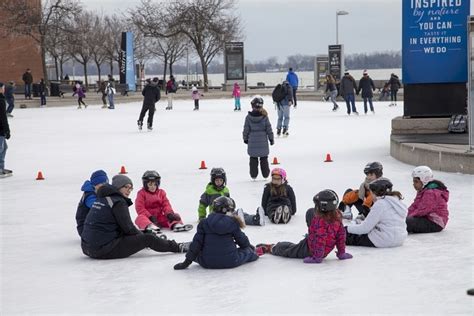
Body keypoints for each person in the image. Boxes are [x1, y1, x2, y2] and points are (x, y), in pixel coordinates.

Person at [81, 174, 188, 259]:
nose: (129, 190)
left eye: (131, 188)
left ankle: (153, 235)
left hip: (87, 247)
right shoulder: (118, 202)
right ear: (118, 187)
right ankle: (178, 247)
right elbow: (128, 229)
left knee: (142, 234)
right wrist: (143, 238)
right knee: (148, 238)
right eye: (126, 187)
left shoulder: (103, 198)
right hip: (103, 250)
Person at [256, 190, 353, 263]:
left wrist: (317, 257)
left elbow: (320, 239)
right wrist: (341, 253)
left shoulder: (319, 221)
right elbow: (341, 236)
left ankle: (272, 248)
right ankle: (278, 245)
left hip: (310, 250)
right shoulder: (337, 216)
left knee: (289, 250)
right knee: (294, 246)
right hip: (316, 246)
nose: (316, 208)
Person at [173, 196, 259, 270]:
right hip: (231, 261)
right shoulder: (232, 222)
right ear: (227, 210)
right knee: (247, 252)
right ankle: (256, 253)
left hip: (207, 262)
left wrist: (186, 262)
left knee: (196, 252)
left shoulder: (204, 222)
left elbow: (196, 244)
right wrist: (249, 248)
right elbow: (242, 241)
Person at [345, 178, 408, 248]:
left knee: (346, 236)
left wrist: (346, 228)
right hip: (400, 239)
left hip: (383, 240)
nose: (371, 197)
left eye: (371, 194)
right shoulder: (397, 202)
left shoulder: (380, 204)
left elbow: (364, 228)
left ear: (376, 193)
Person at [406, 166, 449, 233]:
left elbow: (423, 210)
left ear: (424, 180)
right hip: (427, 218)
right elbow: (415, 205)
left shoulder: (431, 193)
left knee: (407, 222)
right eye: (413, 181)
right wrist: (404, 214)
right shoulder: (423, 190)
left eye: (416, 181)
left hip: (435, 223)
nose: (413, 184)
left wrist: (408, 217)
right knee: (403, 220)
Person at [243, 96, 274, 180]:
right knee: (264, 158)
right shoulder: (264, 116)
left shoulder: (248, 117)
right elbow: (269, 128)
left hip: (252, 141)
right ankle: (265, 174)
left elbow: (246, 129)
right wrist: (271, 138)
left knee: (253, 159)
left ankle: (253, 174)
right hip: (263, 141)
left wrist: (245, 138)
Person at [75, 170, 109, 237]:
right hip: (85, 229)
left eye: (105, 185)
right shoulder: (89, 195)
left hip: (94, 226)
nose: (103, 188)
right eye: (100, 185)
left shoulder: (101, 192)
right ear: (94, 185)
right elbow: (96, 206)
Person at [0, 82, 12, 178]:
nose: (4, 89)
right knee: (1, 148)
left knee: (4, 148)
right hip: (0, 129)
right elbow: (3, 117)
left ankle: (1, 167)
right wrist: (7, 130)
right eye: (3, 88)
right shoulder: (1, 100)